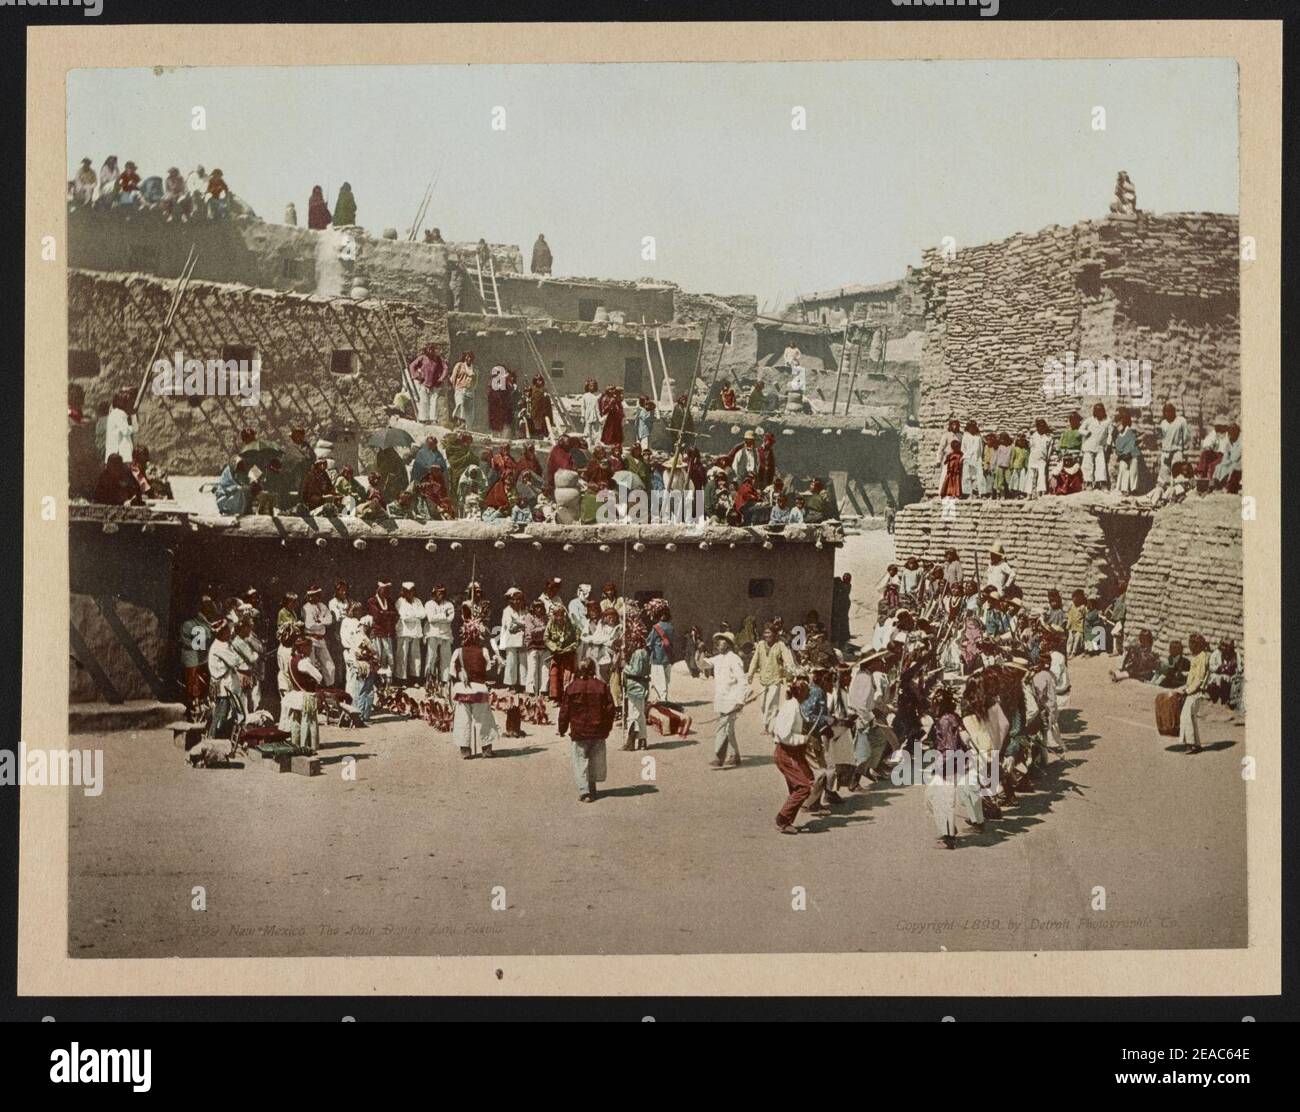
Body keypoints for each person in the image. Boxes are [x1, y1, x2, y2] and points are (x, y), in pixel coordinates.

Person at [558, 659, 615, 802]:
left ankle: (585, 791)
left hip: (579, 732)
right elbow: (610, 709)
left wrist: (562, 728)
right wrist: (607, 727)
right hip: (597, 731)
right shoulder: (601, 686)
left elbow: (565, 711)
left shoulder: (571, 688)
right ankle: (593, 787)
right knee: (595, 761)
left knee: (580, 761)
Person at [449, 618, 499, 758]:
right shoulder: (483, 651)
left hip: (462, 690)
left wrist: (461, 673)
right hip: (479, 690)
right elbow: (488, 669)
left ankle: (465, 749)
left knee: (462, 719)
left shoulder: (458, 652)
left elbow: (452, 671)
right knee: (484, 719)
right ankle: (486, 749)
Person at [771, 678, 814, 835]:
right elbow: (783, 735)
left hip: (792, 752)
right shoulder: (791, 708)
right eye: (807, 689)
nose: (809, 692)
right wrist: (803, 739)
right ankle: (782, 819)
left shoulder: (795, 706)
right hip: (786, 752)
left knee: (801, 785)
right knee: (803, 787)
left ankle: (787, 820)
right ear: (800, 691)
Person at [708, 632, 747, 769]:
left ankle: (719, 756)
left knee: (723, 727)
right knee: (729, 729)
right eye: (718, 642)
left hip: (732, 699)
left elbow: (742, 680)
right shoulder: (718, 658)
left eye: (722, 641)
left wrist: (740, 700)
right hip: (721, 698)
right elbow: (703, 665)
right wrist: (698, 653)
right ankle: (735, 756)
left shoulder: (734, 659)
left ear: (729, 644)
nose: (719, 644)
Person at [748, 624, 796, 733]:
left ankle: (768, 727)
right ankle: (772, 720)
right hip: (763, 679)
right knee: (763, 704)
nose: (766, 635)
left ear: (775, 634)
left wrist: (790, 672)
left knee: (771, 703)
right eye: (765, 633)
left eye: (769, 633)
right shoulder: (760, 645)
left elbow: (787, 660)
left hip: (775, 679)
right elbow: (755, 660)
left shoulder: (780, 645)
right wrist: (750, 674)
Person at [1180, 633, 1211, 753]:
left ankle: (1190, 743)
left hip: (1195, 692)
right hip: (1192, 690)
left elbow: (1199, 678)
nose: (1190, 647)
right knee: (1191, 717)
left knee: (1186, 716)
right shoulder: (1198, 657)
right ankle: (1196, 744)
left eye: (1191, 645)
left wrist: (1188, 691)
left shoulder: (1202, 658)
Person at [544, 602, 580, 702]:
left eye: (561, 614)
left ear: (564, 613)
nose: (559, 617)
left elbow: (577, 640)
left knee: (567, 675)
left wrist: (569, 648)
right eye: (556, 614)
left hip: (568, 654)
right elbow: (546, 638)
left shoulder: (572, 624)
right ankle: (555, 697)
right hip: (556, 653)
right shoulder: (551, 623)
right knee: (554, 673)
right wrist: (554, 647)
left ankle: (566, 697)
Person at [643, 599, 676, 702]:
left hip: (658, 657)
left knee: (658, 679)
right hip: (668, 657)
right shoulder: (671, 627)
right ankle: (663, 698)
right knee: (665, 680)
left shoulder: (656, 627)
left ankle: (662, 700)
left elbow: (649, 642)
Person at [496, 588, 527, 691]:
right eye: (515, 599)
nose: (517, 602)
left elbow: (528, 624)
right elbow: (510, 627)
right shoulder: (507, 611)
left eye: (520, 599)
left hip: (523, 640)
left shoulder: (525, 611)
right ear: (511, 600)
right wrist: (522, 624)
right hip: (511, 640)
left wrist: (518, 622)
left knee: (523, 663)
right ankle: (511, 685)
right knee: (511, 663)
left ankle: (523, 684)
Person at [408, 344, 448, 423]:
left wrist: (441, 379)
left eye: (432, 349)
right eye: (429, 349)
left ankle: (433, 419)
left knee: (434, 402)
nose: (430, 351)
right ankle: (424, 419)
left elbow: (445, 368)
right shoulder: (422, 358)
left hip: (435, 384)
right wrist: (416, 375)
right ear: (426, 350)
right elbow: (412, 366)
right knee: (424, 401)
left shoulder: (438, 359)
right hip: (424, 383)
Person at [395, 582, 425, 682]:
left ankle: (415, 678)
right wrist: (415, 616)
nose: (410, 593)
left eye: (412, 591)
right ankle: (401, 679)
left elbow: (423, 614)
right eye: (407, 591)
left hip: (416, 632)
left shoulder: (418, 601)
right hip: (404, 632)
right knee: (402, 656)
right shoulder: (400, 601)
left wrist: (413, 616)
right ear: (403, 592)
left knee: (416, 656)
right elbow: (404, 616)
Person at [367, 581, 398, 677]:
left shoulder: (390, 601)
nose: (387, 592)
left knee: (389, 657)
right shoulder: (372, 601)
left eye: (388, 590)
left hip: (387, 633)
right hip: (377, 633)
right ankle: (376, 680)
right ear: (379, 589)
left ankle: (387, 680)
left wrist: (383, 613)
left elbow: (395, 615)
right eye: (385, 589)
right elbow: (376, 616)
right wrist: (388, 614)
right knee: (377, 657)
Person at [1080, 402, 1113, 490]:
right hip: (1089, 445)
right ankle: (1088, 483)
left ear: (1103, 411)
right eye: (1097, 411)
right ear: (1094, 412)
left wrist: (1108, 444)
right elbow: (1080, 429)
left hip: (1100, 446)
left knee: (1101, 465)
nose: (1099, 413)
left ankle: (1102, 484)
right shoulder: (1089, 420)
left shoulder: (1108, 421)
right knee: (1087, 465)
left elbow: (1110, 433)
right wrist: (1086, 433)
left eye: (1100, 411)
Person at [1158, 402, 1190, 485]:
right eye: (1166, 411)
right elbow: (1162, 438)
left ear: (1174, 411)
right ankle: (1167, 489)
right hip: (1166, 452)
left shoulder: (1181, 421)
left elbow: (1186, 436)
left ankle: (1177, 490)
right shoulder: (1163, 423)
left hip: (1177, 451)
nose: (1168, 413)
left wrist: (1184, 449)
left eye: (1170, 411)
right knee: (1164, 473)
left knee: (1177, 473)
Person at [1113, 410, 1140, 495]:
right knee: (1123, 467)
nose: (1118, 425)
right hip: (1123, 457)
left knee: (1134, 465)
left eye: (1120, 423)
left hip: (1132, 455)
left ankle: (1133, 489)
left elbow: (1133, 445)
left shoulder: (1130, 431)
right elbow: (1117, 449)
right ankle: (1124, 489)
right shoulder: (1117, 435)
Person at [451, 352, 477, 427]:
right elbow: (453, 377)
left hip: (470, 391)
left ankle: (467, 426)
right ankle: (460, 421)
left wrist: (472, 388)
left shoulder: (474, 368)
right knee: (460, 404)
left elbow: (475, 381)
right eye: (467, 357)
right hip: (460, 389)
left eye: (471, 358)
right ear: (465, 357)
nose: (469, 359)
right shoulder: (459, 365)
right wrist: (455, 387)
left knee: (469, 410)